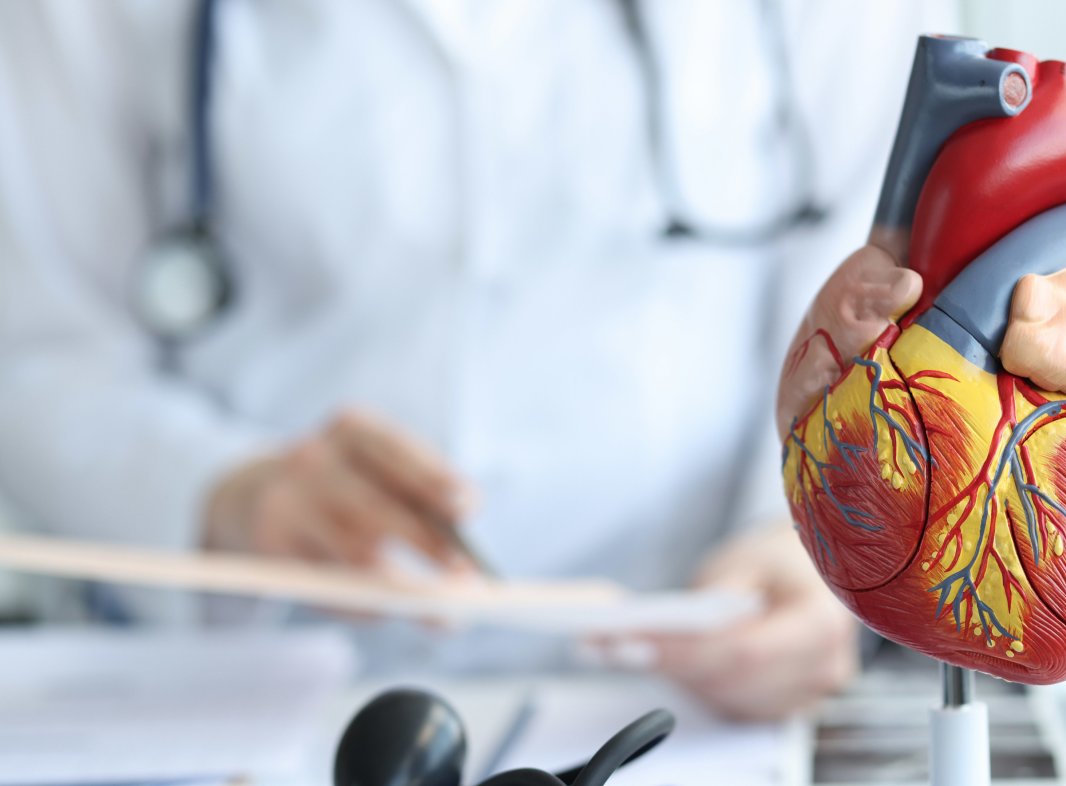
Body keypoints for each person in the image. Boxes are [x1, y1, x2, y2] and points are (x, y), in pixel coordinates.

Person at [0, 2, 956, 720]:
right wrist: (223, 491)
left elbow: (885, 296)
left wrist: (803, 543)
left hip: (687, 690)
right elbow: (36, 341)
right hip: (244, 684)